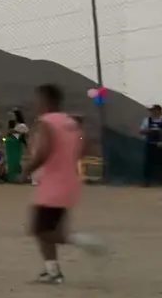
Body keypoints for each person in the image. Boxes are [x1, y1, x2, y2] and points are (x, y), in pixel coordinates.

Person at [27, 83, 106, 284]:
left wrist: (27, 169)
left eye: (38, 100)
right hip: (69, 181)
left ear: (46, 100)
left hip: (52, 184)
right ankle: (52, 271)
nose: (35, 104)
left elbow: (44, 151)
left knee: (41, 230)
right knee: (47, 229)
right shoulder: (71, 122)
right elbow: (84, 147)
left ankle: (81, 242)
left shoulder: (46, 122)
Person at [140, 105, 162, 187]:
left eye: (155, 110)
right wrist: (150, 131)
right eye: (152, 111)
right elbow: (141, 131)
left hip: (161, 144)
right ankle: (146, 181)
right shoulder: (147, 120)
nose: (153, 112)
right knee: (148, 163)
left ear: (159, 111)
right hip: (150, 143)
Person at [5, 111, 29, 182]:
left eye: (13, 115)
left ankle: (20, 177)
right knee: (11, 162)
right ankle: (11, 177)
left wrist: (14, 132)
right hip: (10, 146)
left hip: (17, 145)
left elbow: (23, 136)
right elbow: (7, 135)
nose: (12, 117)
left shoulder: (22, 126)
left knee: (17, 161)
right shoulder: (12, 125)